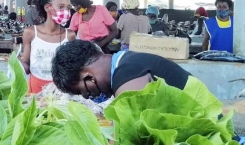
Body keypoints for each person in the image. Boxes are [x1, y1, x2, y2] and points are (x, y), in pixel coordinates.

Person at [52, 39, 191, 101]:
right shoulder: (126, 60)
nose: (86, 96)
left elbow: (125, 137)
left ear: (88, 76)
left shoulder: (126, 76)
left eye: (81, 91)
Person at [20, 0, 76, 94]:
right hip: (34, 90)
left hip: (60, 92)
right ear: (47, 8)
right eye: (61, 7)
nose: (66, 11)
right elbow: (26, 66)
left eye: (68, 8)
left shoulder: (70, 36)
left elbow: (72, 68)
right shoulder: (31, 33)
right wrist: (16, 62)